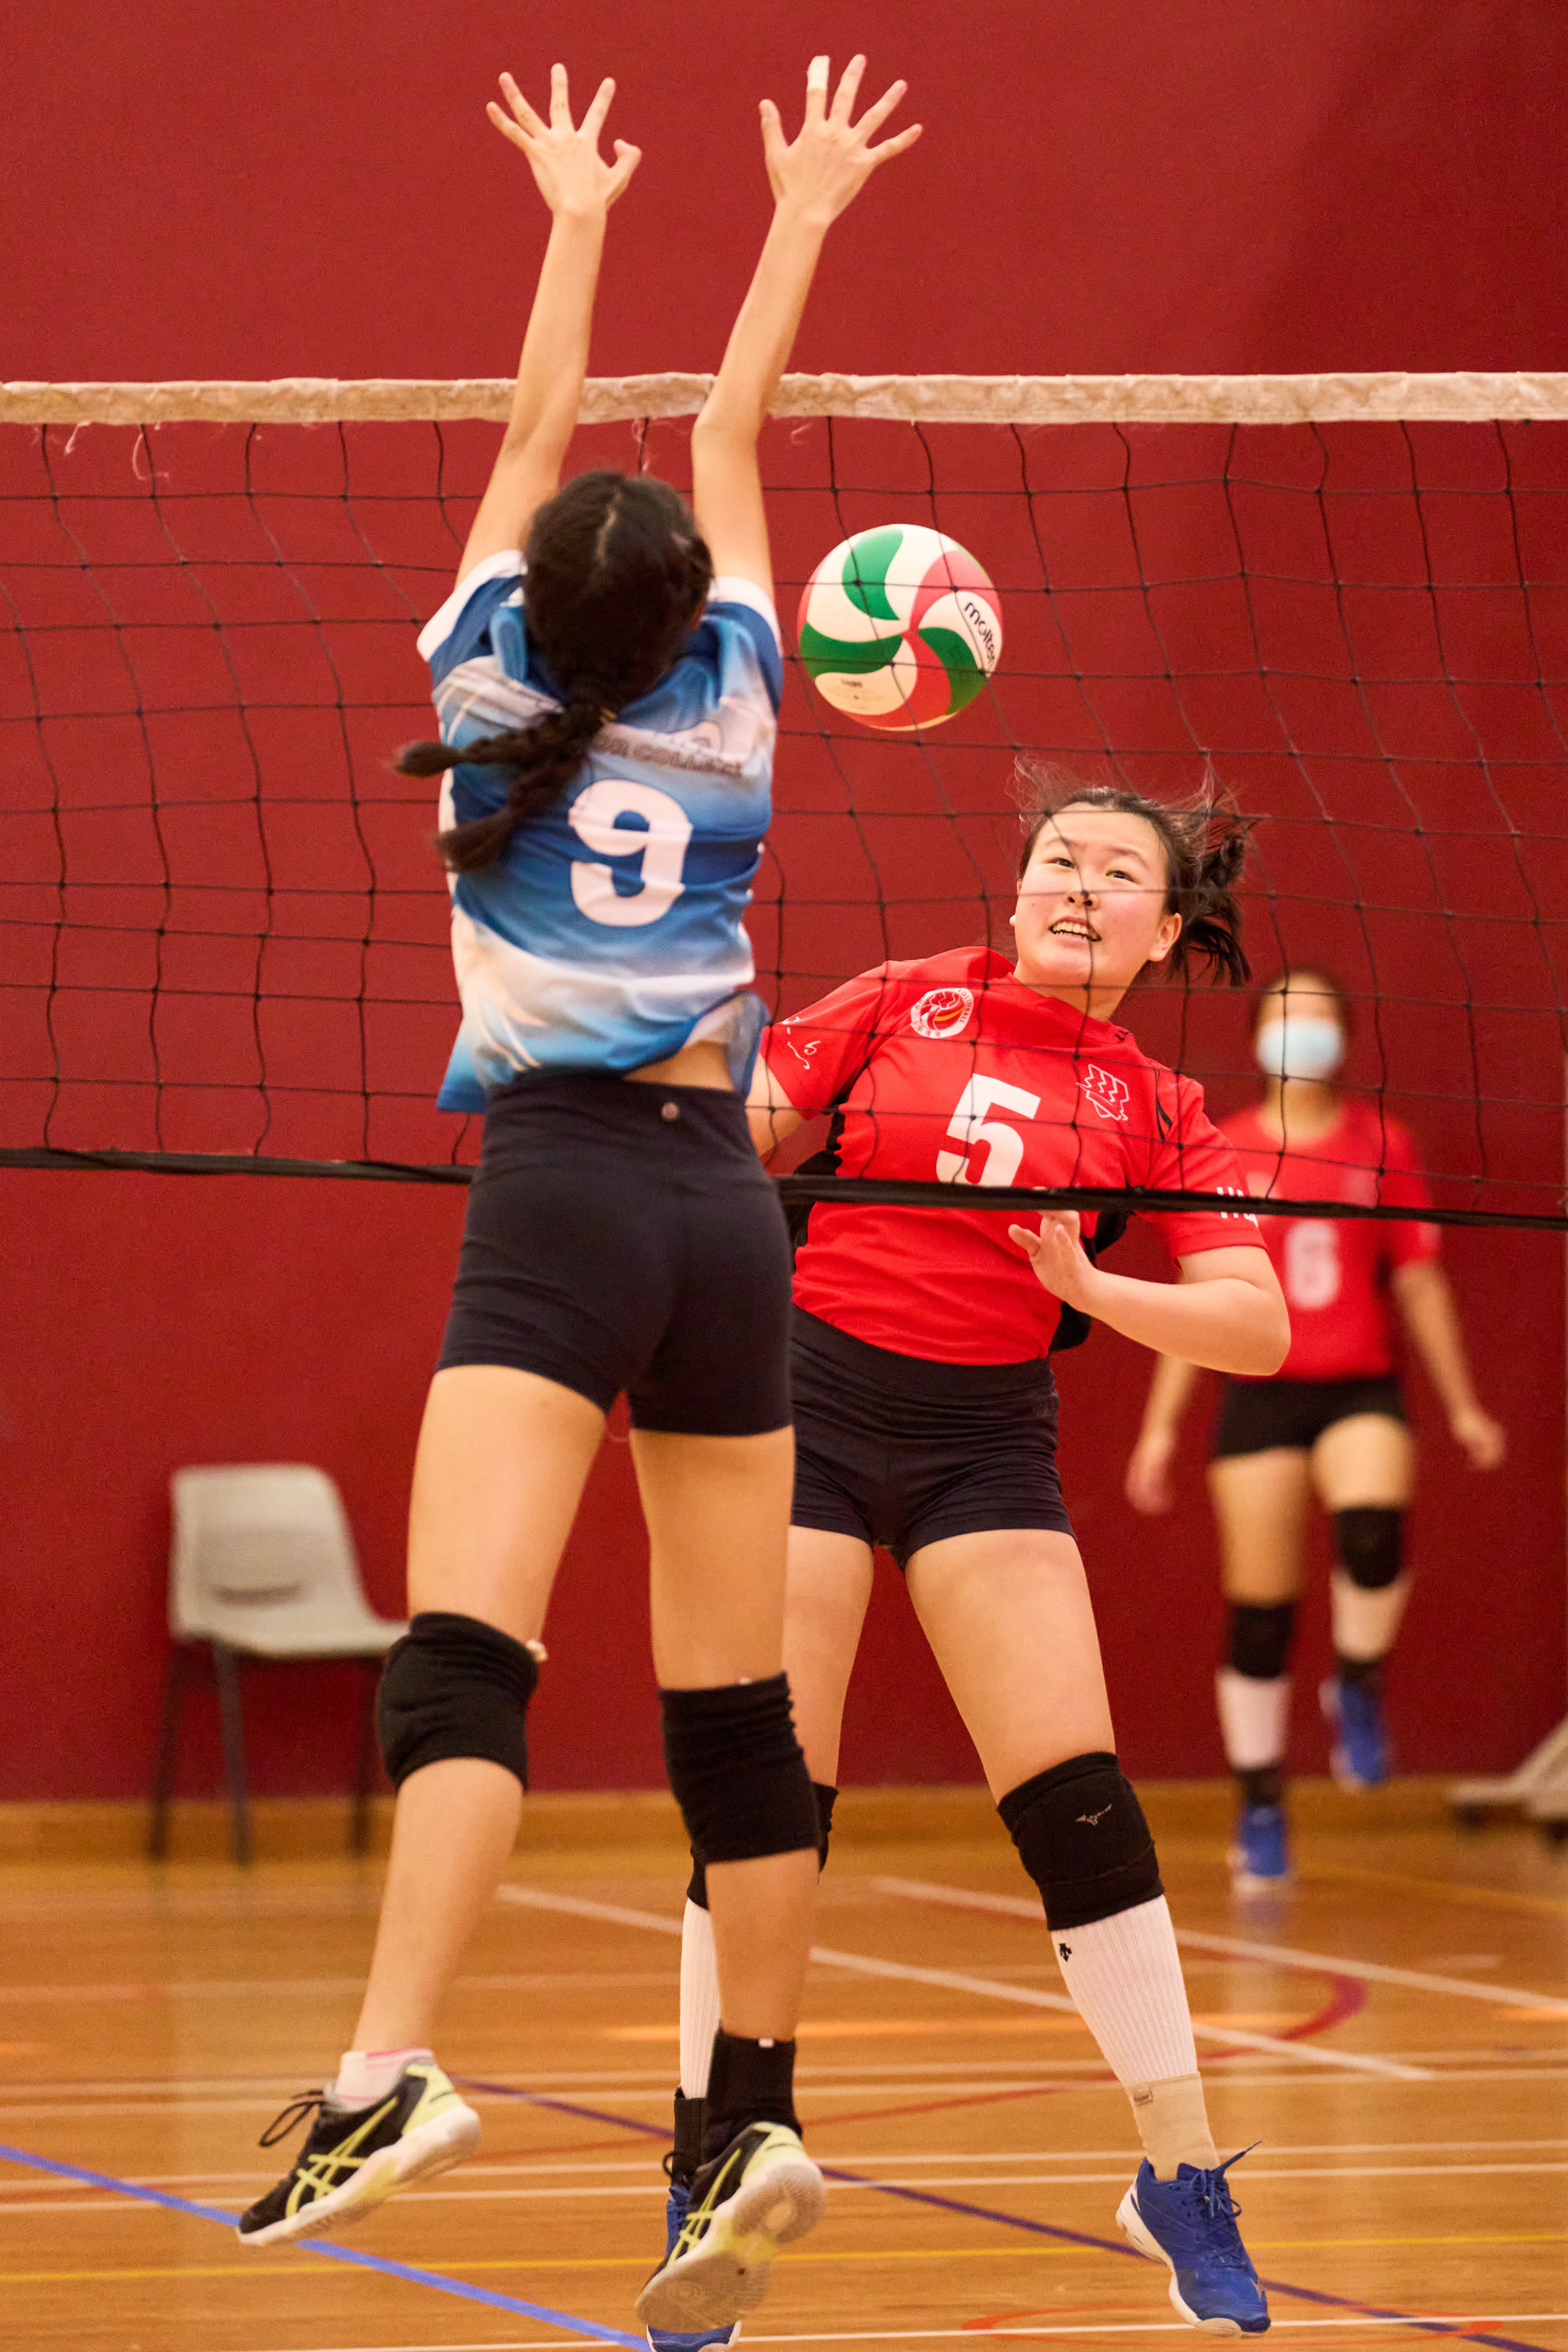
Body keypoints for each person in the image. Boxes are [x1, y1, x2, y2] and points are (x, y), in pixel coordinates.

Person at [236, 56, 921, 2340]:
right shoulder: (738, 692)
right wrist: (797, 210)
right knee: (737, 1715)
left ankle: (386, 2065)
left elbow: (534, 442)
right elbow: (724, 432)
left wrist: (569, 212)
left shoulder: (477, 680)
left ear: (536, 609)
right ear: (689, 609)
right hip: (732, 1218)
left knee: (469, 1653)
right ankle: (744, 2109)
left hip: (553, 1201)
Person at [650, 762, 1290, 2352]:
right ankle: (713, 2163)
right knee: (768, 1794)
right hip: (806, 1398)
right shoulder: (901, 997)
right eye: (1059, 859)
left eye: (1119, 872)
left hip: (987, 1442)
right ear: (1015, 892)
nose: (1080, 884)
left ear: (1165, 927)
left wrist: (1094, 1280)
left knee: (1081, 1797)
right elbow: (742, 1143)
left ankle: (1179, 2164)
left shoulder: (1161, 1106)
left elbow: (1258, 1327)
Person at [1125, 970, 1505, 1892]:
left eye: (1320, 1017)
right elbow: (1203, 1298)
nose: (1304, 1032)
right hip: (1257, 1395)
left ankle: (1358, 1676)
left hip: (1357, 1386)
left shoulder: (1383, 1144)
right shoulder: (1226, 1145)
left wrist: (1461, 1406)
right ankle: (1259, 1801)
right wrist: (1158, 1432)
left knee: (1372, 1531)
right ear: (1259, 1035)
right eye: (1287, 1016)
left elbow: (1416, 1279)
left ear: (1342, 1034)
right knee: (1260, 1614)